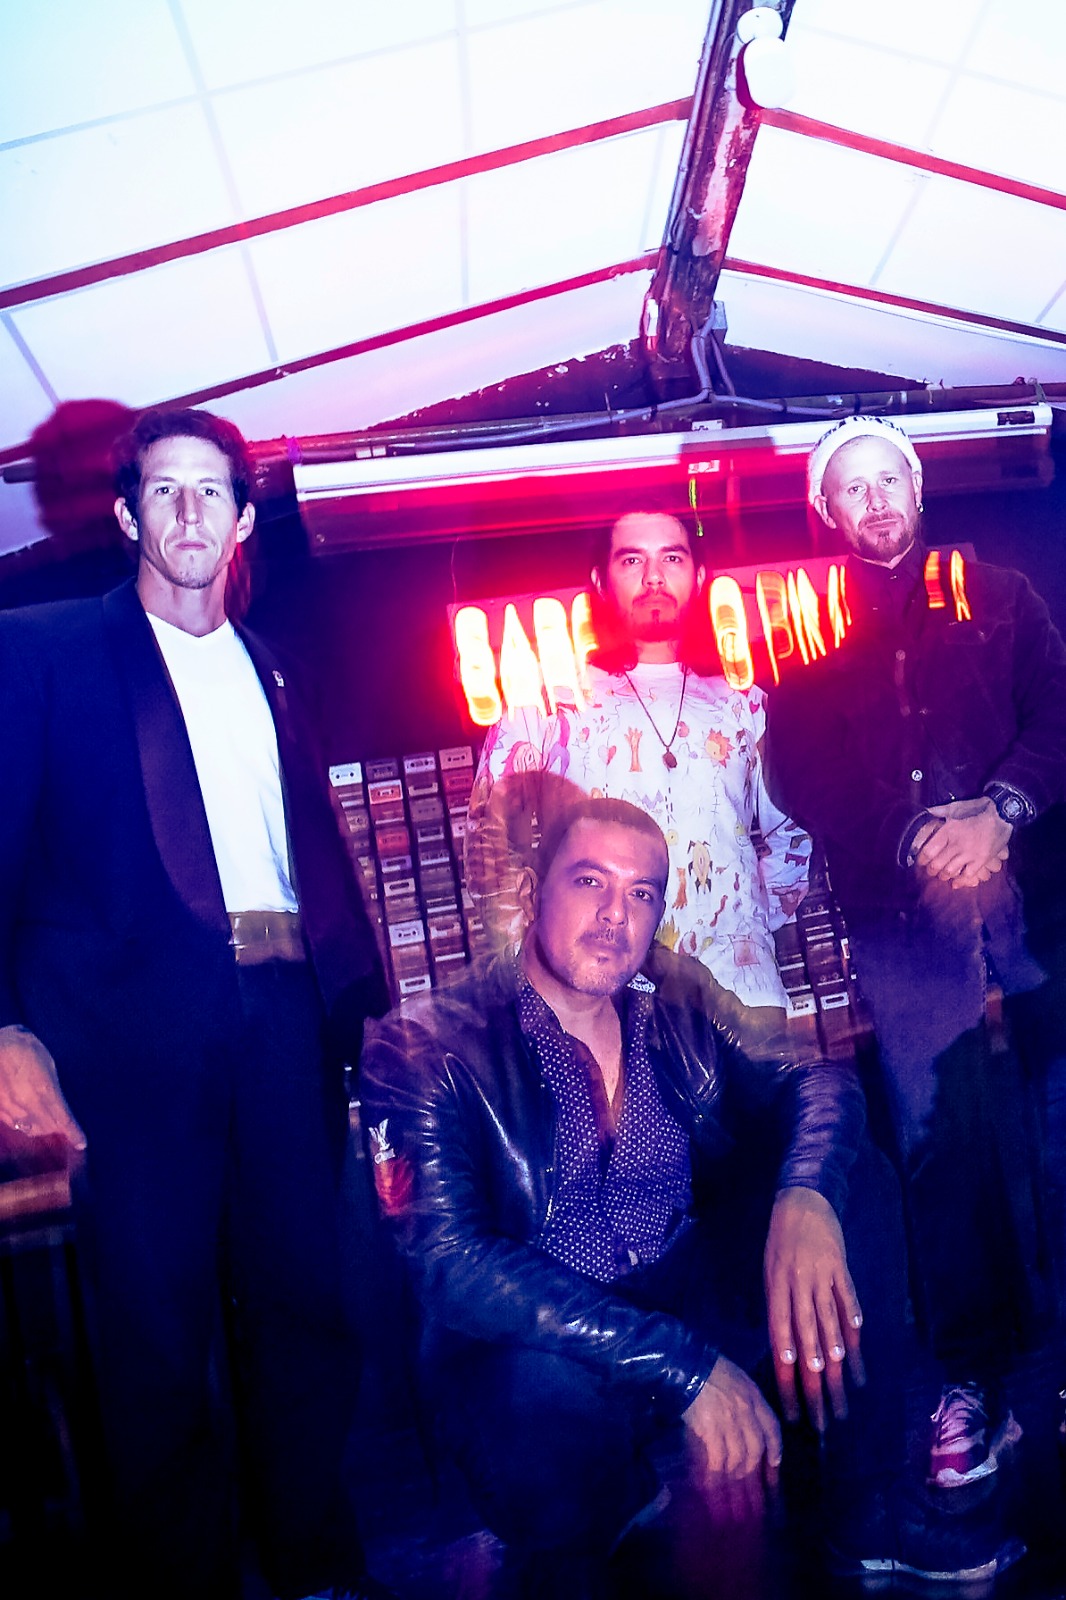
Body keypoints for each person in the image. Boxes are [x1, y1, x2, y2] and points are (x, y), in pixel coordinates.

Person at [362, 795, 981, 1594]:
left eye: (641, 893)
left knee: (854, 1184)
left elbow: (814, 1080)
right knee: (530, 1405)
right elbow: (451, 1264)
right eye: (590, 881)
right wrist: (683, 1367)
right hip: (549, 1343)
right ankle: (601, 1523)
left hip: (686, 1284)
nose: (615, 915)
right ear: (531, 892)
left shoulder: (672, 996)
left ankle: (866, 1509)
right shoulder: (424, 1045)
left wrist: (803, 1199)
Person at [0, 407, 393, 1600]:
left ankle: (315, 1563)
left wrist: (353, 1007)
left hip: (282, 1018)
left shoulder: (276, 666)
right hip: (126, 1040)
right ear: (128, 515)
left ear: (242, 520)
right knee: (155, 1339)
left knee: (304, 1304)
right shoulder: (44, 649)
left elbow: (305, 851)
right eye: (163, 490)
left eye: (209, 491)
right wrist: (8, 1029)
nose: (187, 511)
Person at [766, 414, 1066, 1489]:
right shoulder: (803, 632)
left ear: (918, 486)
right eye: (851, 488)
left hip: (1036, 901)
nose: (875, 500)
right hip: (903, 926)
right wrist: (913, 840)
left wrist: (1001, 808)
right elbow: (803, 772)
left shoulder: (1001, 595)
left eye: (887, 478)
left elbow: (1058, 710)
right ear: (827, 511)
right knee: (943, 1150)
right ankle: (975, 1383)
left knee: (1061, 1118)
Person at [465, 509, 810, 1015]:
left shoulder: (745, 702)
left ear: (699, 576)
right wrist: (541, 959)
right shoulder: (545, 699)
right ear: (600, 581)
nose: (653, 577)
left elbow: (792, 832)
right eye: (632, 560)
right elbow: (488, 837)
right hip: (598, 1005)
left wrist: (747, 923)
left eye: (672, 558)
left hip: (742, 998)